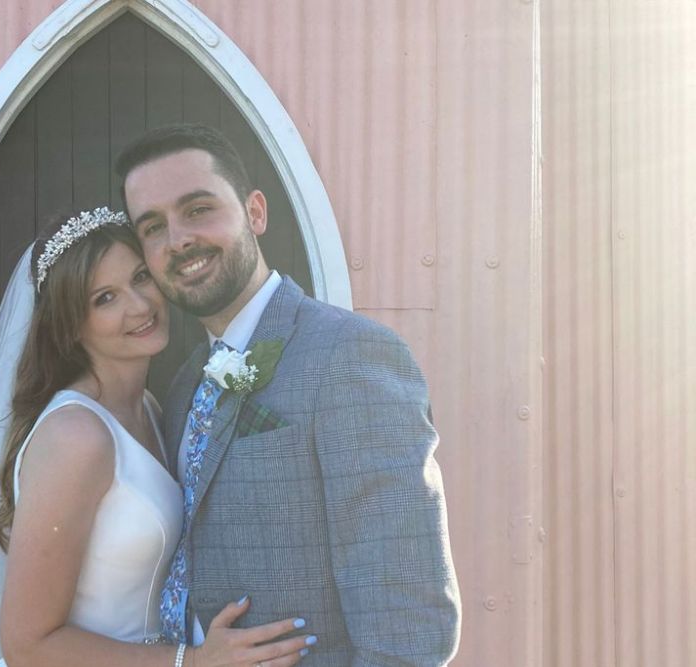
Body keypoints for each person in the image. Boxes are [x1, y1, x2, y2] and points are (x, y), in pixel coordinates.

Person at [116, 124, 462, 666]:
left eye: (198, 209)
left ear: (255, 213)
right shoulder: (183, 385)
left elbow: (407, 624)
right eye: (153, 227)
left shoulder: (350, 355)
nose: (178, 240)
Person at [0, 207, 313, 667]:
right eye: (105, 298)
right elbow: (28, 645)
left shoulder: (149, 408)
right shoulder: (76, 437)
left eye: (141, 278)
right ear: (71, 324)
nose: (139, 306)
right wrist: (190, 662)